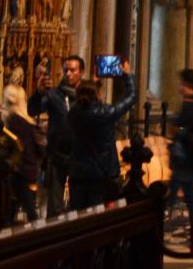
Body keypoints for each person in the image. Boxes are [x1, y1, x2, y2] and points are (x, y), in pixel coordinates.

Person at [46, 58, 136, 210]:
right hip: (101, 175)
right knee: (98, 215)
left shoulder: (73, 114)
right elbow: (130, 97)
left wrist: (94, 84)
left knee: (79, 215)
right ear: (97, 95)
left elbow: (83, 101)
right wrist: (128, 76)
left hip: (78, 175)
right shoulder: (105, 113)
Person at [31, 54, 84, 215]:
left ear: (81, 72)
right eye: (66, 70)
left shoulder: (87, 95)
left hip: (80, 157)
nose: (68, 73)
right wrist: (38, 93)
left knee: (79, 207)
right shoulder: (54, 95)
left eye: (72, 70)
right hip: (57, 155)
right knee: (55, 207)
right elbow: (33, 110)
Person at [169, 68, 193, 228]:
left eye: (182, 83)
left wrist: (179, 131)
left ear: (188, 85)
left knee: (180, 195)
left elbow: (191, 131)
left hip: (186, 158)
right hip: (184, 158)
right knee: (189, 196)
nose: (179, 86)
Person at [0, 84, 45, 222]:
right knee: (16, 207)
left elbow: (9, 149)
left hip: (18, 170)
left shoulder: (11, 121)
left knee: (26, 209)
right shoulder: (27, 121)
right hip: (30, 168)